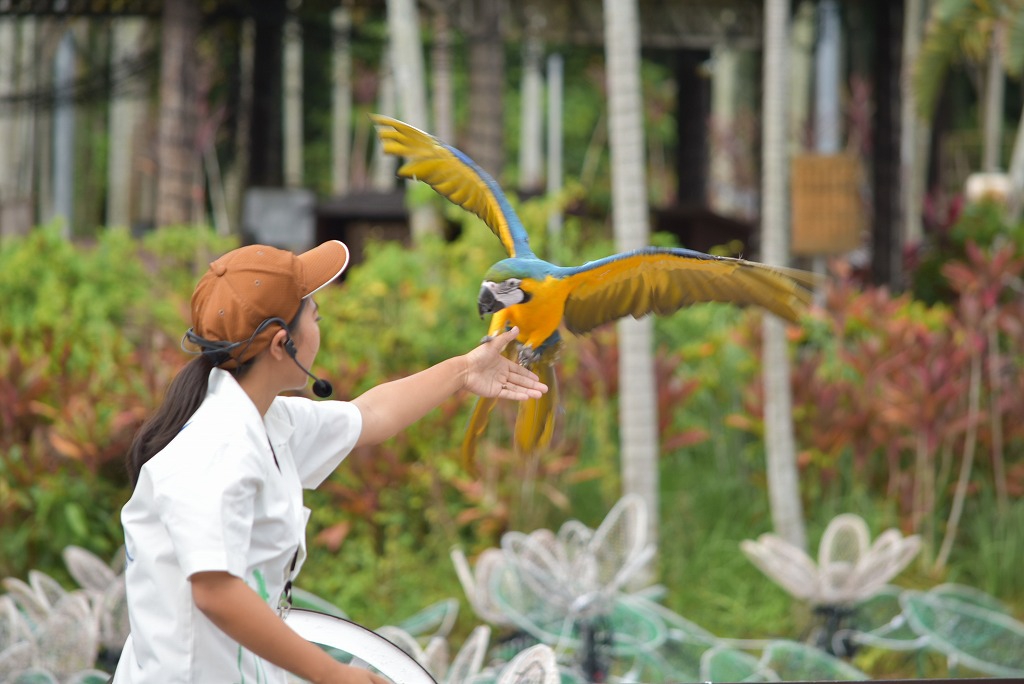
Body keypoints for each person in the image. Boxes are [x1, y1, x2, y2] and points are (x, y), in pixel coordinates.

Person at [113, 240, 547, 684]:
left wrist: (464, 371)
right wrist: (336, 677)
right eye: (316, 317)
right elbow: (215, 592)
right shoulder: (214, 449)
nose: (321, 327)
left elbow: (372, 415)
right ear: (283, 344)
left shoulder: (268, 421)